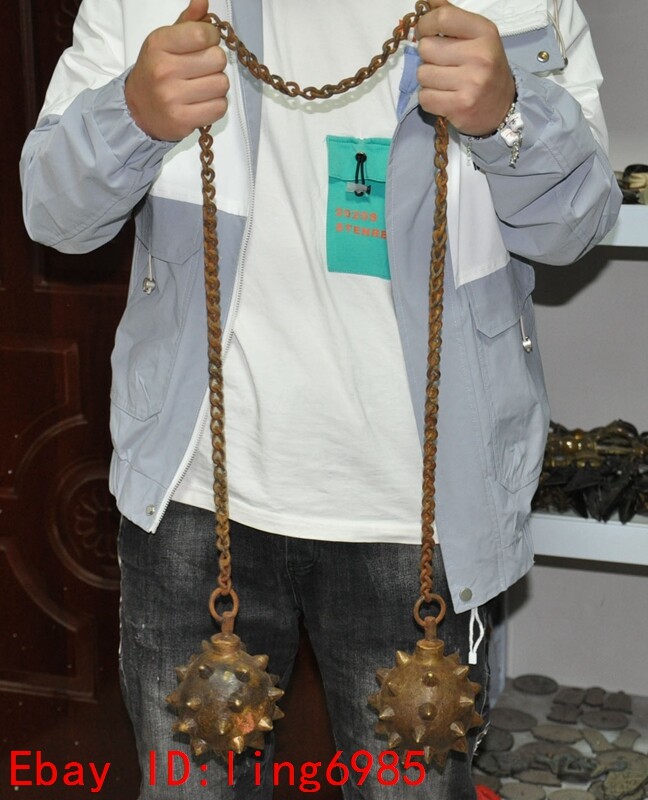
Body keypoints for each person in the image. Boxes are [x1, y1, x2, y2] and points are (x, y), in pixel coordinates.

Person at [20, 0, 621, 797]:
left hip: (419, 515)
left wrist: (509, 115)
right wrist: (131, 116)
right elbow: (54, 215)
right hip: (195, 498)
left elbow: (576, 228)